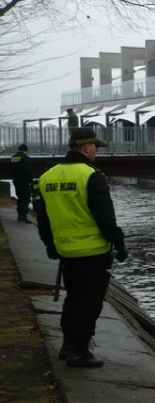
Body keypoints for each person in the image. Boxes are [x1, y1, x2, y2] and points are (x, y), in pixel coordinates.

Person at [36, 127, 128, 368]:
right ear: (86, 147)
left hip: (66, 252)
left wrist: (50, 245)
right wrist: (119, 242)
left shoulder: (48, 177)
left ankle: (68, 346)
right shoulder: (91, 175)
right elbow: (105, 217)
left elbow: (43, 219)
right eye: (96, 147)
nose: (97, 152)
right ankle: (79, 352)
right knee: (89, 303)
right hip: (93, 252)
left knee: (73, 298)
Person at [10, 144, 34, 222]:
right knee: (26, 198)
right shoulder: (26, 158)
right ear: (26, 150)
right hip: (24, 182)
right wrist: (31, 181)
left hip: (16, 181)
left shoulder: (13, 158)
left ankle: (20, 214)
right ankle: (23, 215)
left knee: (20, 197)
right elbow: (28, 171)